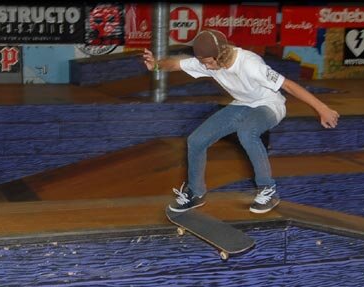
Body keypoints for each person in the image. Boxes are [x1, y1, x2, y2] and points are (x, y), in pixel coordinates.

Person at [142, 29, 340, 214]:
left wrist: (322, 108)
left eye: (209, 63)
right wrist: (157, 65)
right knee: (196, 140)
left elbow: (288, 85)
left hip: (269, 105)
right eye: (203, 63)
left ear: (221, 55)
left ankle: (268, 190)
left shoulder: (250, 64)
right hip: (242, 104)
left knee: (247, 133)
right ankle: (196, 192)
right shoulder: (206, 62)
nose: (206, 68)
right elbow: (177, 64)